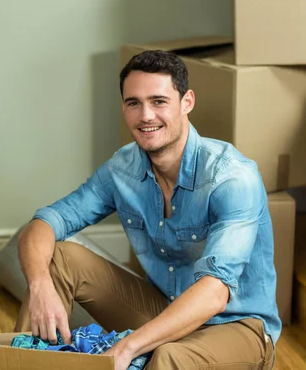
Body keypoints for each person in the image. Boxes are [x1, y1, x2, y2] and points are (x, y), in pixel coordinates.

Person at [15, 50, 279, 369]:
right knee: (58, 257)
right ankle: (19, 361)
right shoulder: (122, 170)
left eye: (158, 101)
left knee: (168, 357)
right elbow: (46, 221)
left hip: (237, 326)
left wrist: (127, 348)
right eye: (133, 103)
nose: (145, 116)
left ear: (187, 102)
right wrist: (40, 284)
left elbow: (214, 293)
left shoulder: (232, 177)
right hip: (163, 310)